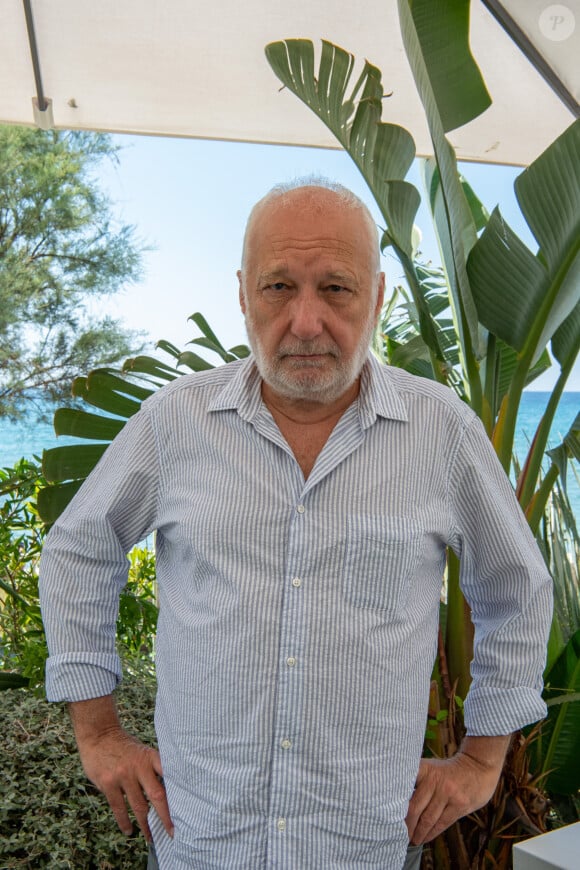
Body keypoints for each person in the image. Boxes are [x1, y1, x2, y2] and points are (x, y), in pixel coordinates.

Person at [39, 179, 552, 870]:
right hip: (203, 837)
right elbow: (78, 551)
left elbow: (516, 588)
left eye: (335, 288)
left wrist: (484, 757)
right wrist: (98, 732)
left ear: (376, 295)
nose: (306, 323)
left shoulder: (442, 434)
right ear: (243, 293)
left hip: (363, 842)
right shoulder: (175, 422)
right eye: (280, 287)